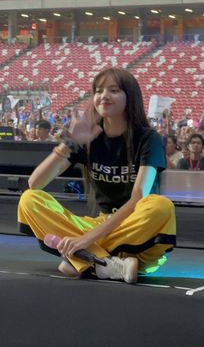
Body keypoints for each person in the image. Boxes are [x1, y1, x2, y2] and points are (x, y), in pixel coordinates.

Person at [18, 68, 176, 284]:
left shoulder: (148, 139)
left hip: (136, 230)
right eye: (99, 90)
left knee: (160, 206)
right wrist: (70, 142)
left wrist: (86, 239)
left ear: (130, 97)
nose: (104, 96)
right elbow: (35, 183)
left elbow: (138, 198)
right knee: (30, 199)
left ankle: (84, 258)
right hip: (101, 224)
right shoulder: (89, 136)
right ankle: (107, 264)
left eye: (114, 90)